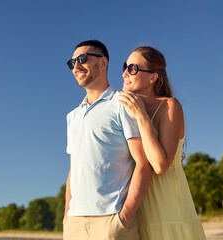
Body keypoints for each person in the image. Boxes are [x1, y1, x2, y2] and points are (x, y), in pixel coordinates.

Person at [63, 40, 153, 240]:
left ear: (103, 63)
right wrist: (67, 216)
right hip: (74, 223)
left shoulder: (123, 104)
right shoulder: (72, 117)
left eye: (82, 59)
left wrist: (124, 217)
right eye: (72, 63)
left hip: (111, 221)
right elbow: (73, 171)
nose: (76, 66)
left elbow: (143, 163)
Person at [119, 46, 206, 240]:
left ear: (152, 77)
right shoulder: (123, 111)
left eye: (132, 68)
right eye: (125, 66)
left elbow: (160, 165)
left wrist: (141, 115)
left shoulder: (170, 106)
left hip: (171, 211)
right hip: (138, 214)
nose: (125, 73)